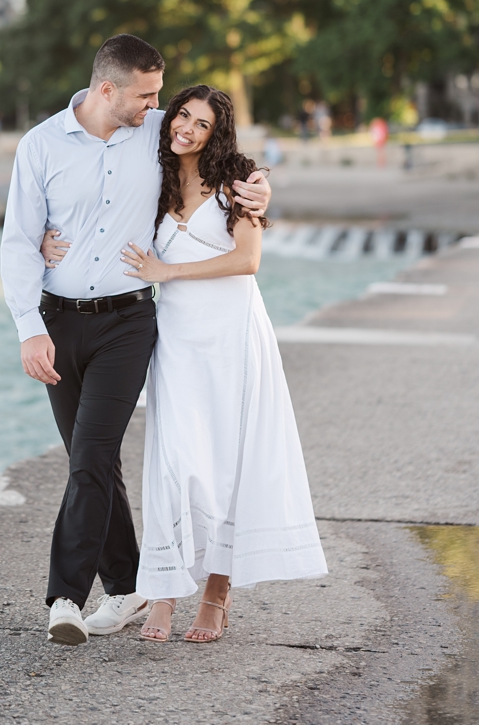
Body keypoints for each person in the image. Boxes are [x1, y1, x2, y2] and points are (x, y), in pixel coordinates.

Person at [0, 35, 271, 645]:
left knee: (93, 455)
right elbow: (19, 240)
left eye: (160, 97)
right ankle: (127, 585)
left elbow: (225, 161)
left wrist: (259, 192)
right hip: (59, 321)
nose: (159, 108)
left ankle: (65, 599)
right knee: (88, 459)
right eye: (148, 96)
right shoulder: (40, 145)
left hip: (129, 323)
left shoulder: (156, 134)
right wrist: (29, 329)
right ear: (107, 90)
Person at [116, 85, 326, 641]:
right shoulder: (155, 175)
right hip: (178, 343)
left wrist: (169, 272)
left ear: (218, 133)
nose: (186, 128)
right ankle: (162, 592)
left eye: (201, 123)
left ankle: (216, 592)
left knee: (229, 464)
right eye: (181, 115)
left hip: (232, 338)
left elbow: (247, 259)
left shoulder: (239, 180)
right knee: (172, 462)